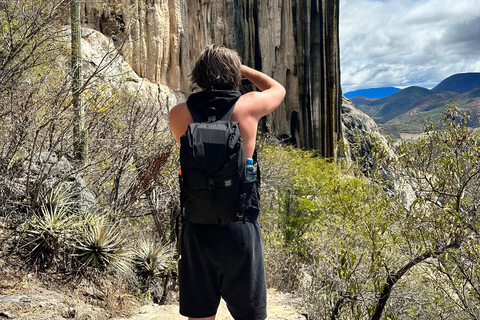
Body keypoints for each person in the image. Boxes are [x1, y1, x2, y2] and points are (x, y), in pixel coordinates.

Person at [169, 44, 286, 320]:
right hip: (240, 225)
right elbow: (277, 89)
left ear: (198, 75)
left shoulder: (179, 114)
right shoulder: (247, 106)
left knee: (200, 315)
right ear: (234, 75)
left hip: (197, 227)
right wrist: (241, 68)